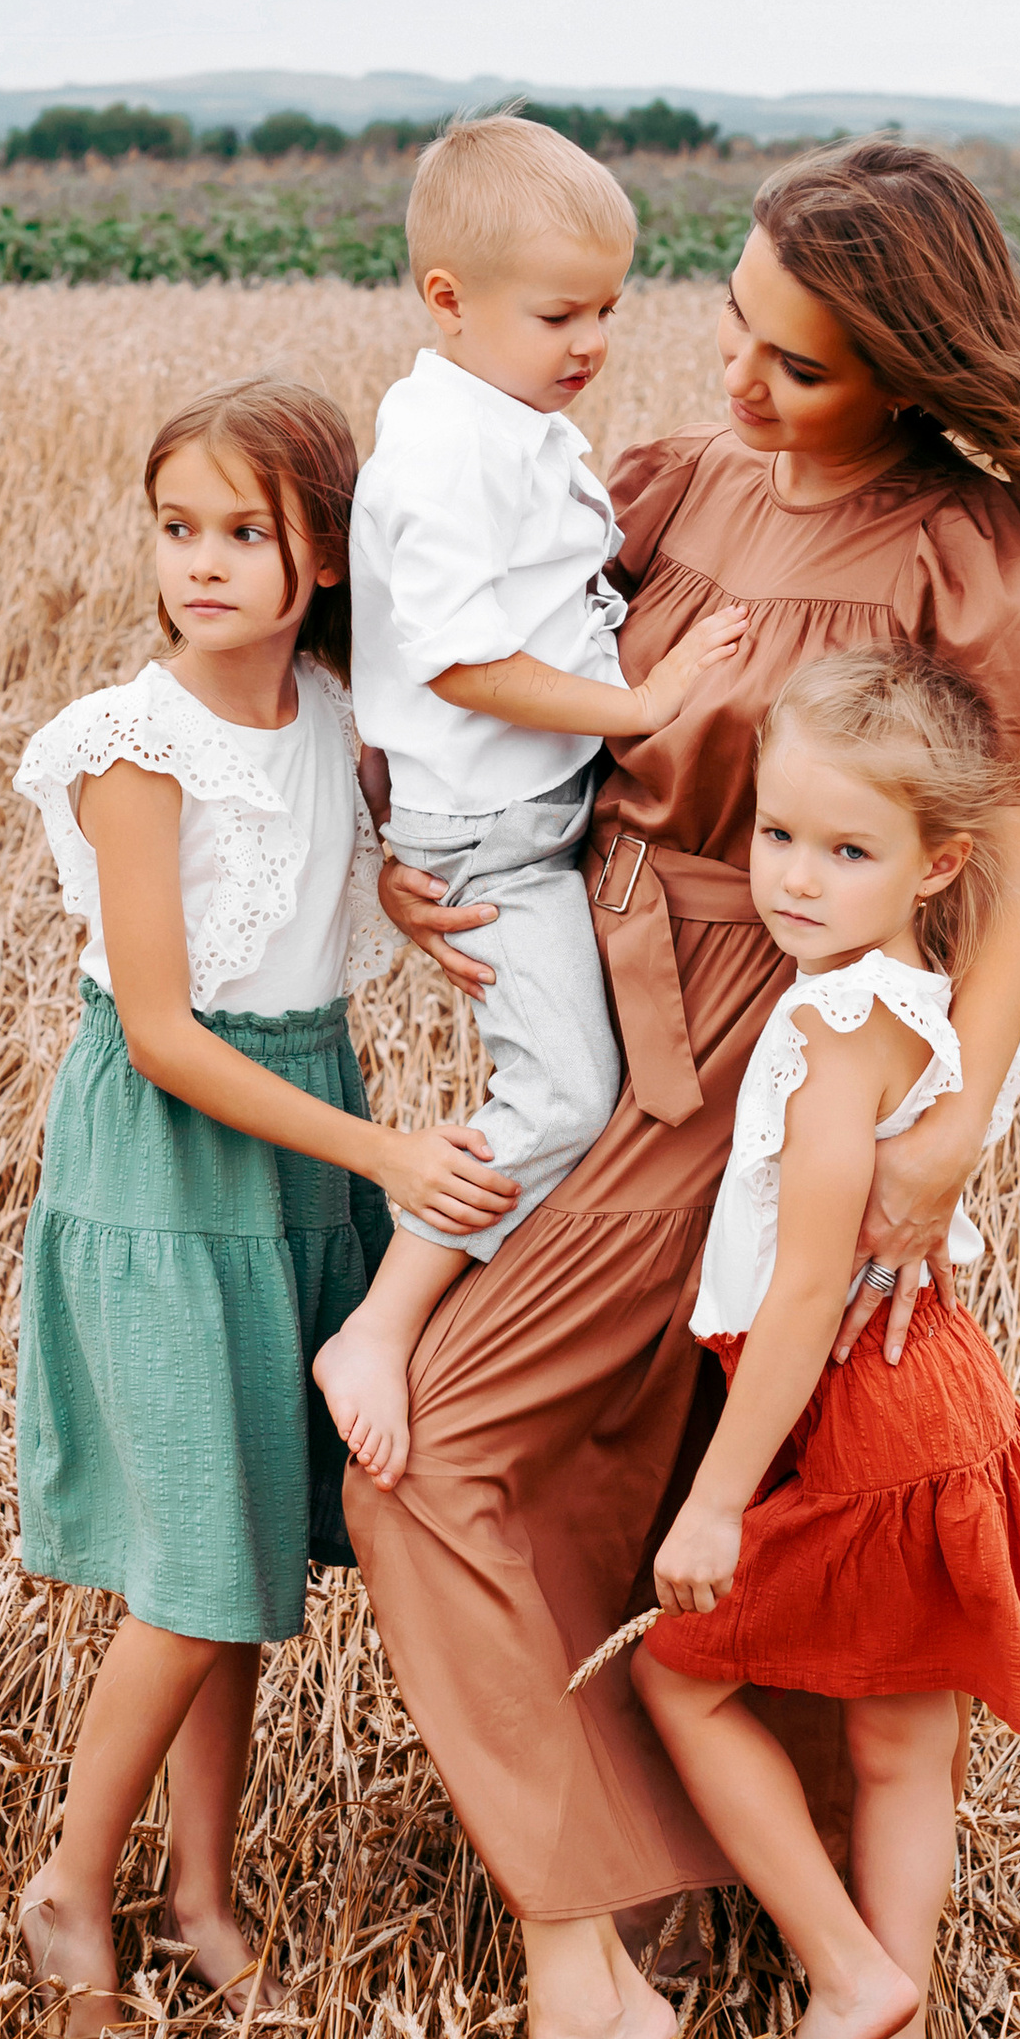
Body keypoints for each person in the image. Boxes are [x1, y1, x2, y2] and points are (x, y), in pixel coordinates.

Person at [344, 141, 1020, 2039]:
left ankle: (605, 1948)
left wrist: (951, 1126)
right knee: (608, 1447)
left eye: (796, 358)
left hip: (763, 1052)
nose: (733, 375)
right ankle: (691, 1904)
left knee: (435, 1446)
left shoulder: (975, 560)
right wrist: (407, 854)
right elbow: (469, 665)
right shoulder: (680, 486)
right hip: (598, 997)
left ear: (911, 364)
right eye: (733, 324)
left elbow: (1014, 877)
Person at [11, 377, 516, 2039]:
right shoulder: (131, 746)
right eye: (179, 528)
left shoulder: (326, 715)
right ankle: (70, 1887)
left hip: (295, 1128)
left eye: (247, 530)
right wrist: (385, 1159)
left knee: (233, 1555)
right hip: (169, 1157)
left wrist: (399, 893)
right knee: (191, 1574)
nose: (205, 562)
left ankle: (202, 1896)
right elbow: (165, 1031)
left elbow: (321, 871)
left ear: (325, 556)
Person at [634, 649, 1020, 2039]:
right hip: (937, 1395)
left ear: (936, 864)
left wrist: (715, 1500)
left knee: (679, 1679)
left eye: (848, 851)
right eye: (779, 835)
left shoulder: (833, 1035)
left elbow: (810, 1285)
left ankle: (849, 1973)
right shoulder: (896, 998)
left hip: (870, 1422)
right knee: (899, 1752)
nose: (797, 878)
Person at [315, 111, 747, 1481]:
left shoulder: (505, 418)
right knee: (563, 1095)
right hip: (494, 838)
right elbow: (460, 661)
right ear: (447, 299)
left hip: (535, 814)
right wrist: (644, 704)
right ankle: (384, 1326)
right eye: (560, 314)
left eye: (609, 309)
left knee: (597, 1093)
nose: (592, 342)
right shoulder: (444, 453)